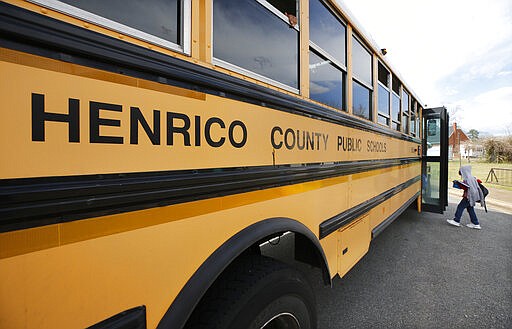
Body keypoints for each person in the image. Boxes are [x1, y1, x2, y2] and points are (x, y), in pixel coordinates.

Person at [447, 165, 485, 229]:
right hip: (472, 196)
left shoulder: (468, 179)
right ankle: (475, 223)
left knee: (460, 207)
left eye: (461, 172)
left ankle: (456, 220)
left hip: (468, 197)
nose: (461, 174)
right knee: (470, 209)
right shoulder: (472, 178)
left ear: (464, 172)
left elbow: (467, 188)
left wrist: (458, 184)